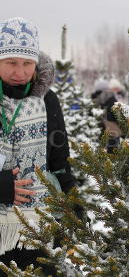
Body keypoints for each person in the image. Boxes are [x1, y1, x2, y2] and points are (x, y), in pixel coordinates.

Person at [0, 17, 75, 276]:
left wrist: (75, 208)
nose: (19, 72)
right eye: (11, 63)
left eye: (27, 63)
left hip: (37, 225)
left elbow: (60, 160)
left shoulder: (48, 102)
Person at [91, 79, 121, 152]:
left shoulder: (96, 100)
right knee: (112, 155)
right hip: (111, 131)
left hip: (105, 132)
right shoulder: (111, 99)